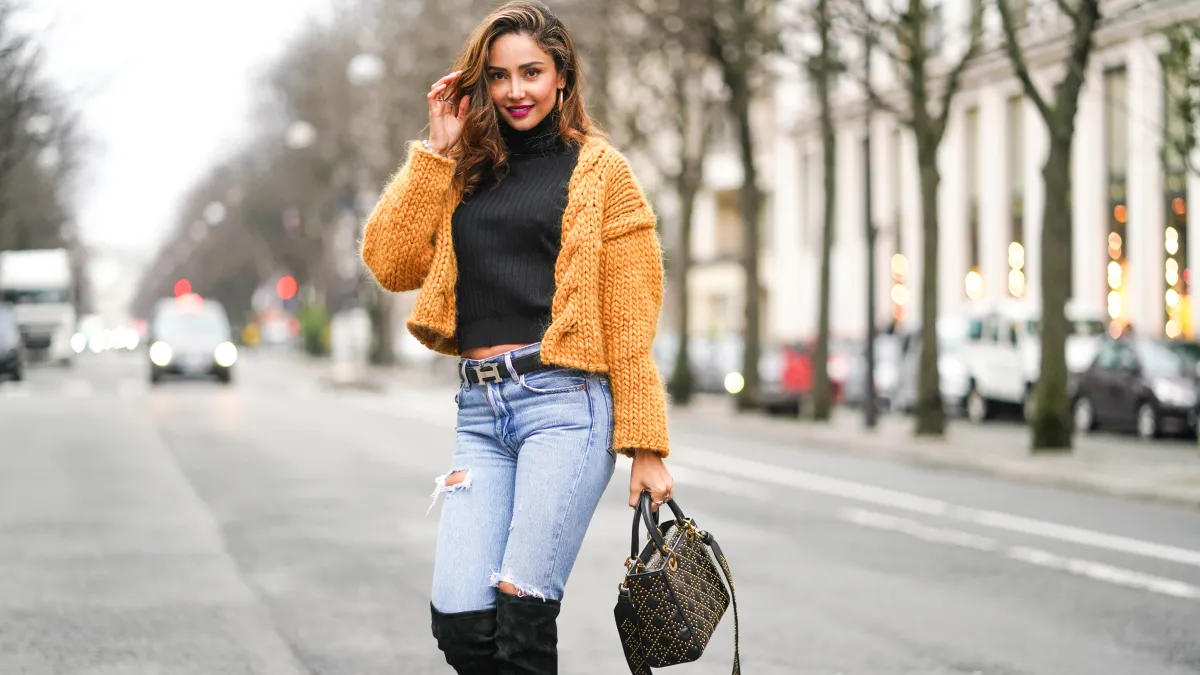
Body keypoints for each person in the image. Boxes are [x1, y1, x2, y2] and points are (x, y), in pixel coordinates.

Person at [359, 2, 674, 673]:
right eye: (499, 76)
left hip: (567, 409)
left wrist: (646, 448)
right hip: (479, 413)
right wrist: (435, 154)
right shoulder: (461, 169)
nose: (515, 90)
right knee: (461, 623)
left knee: (522, 619)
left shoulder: (602, 174)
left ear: (562, 76)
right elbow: (390, 264)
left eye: (531, 72)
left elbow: (630, 323)